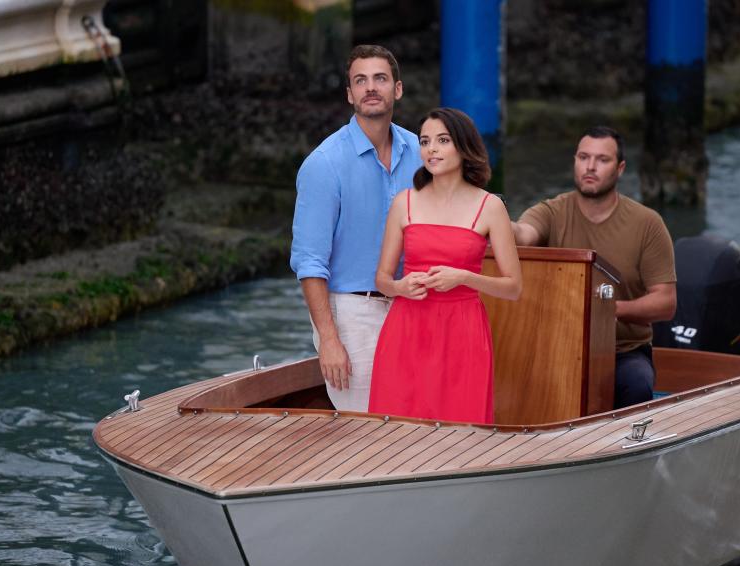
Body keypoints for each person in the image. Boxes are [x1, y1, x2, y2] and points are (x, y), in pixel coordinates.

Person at [290, 45, 422, 412]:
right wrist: (329, 340)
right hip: (352, 312)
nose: (370, 88)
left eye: (380, 78)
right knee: (367, 429)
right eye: (360, 81)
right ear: (350, 94)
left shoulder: (422, 152)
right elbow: (310, 262)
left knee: (420, 422)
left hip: (416, 308)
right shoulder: (324, 164)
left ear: (398, 88)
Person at [368, 108, 522, 423]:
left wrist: (465, 277)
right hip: (406, 328)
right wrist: (399, 287)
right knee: (395, 431)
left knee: (460, 433)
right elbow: (382, 278)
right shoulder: (404, 202)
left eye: (442, 140)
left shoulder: (490, 207)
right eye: (425, 142)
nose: (431, 150)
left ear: (464, 147)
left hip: (462, 331)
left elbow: (513, 287)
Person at [512, 126, 676, 408]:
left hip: (623, 351)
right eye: (583, 157)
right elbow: (524, 234)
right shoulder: (551, 211)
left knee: (637, 384)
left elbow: (666, 302)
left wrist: (609, 310)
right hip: (556, 348)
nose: (590, 166)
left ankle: (629, 450)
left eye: (602, 160)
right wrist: (495, 218)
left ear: (620, 168)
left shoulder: (648, 223)